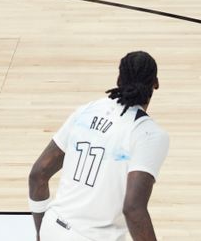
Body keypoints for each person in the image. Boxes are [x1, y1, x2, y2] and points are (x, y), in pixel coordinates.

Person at [29, 51, 169, 241]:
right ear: (156, 83)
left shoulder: (86, 110)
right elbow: (133, 209)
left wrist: (42, 232)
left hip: (51, 229)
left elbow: (39, 173)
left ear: (119, 80)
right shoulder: (148, 133)